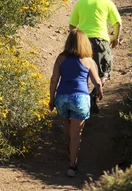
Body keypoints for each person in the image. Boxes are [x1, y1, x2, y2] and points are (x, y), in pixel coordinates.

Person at [49, 29, 103, 178]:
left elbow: (54, 79)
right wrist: (100, 92)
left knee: (67, 130)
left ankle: (69, 151)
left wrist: (51, 98)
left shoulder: (60, 58)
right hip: (80, 98)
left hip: (62, 97)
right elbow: (97, 81)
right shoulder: (88, 60)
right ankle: (72, 165)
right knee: (76, 135)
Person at [69, 0, 122, 113]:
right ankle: (93, 96)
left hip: (83, 41)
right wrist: (115, 38)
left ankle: (81, 100)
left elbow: (72, 26)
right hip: (101, 41)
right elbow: (118, 23)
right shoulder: (108, 3)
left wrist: (76, 39)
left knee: (83, 72)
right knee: (105, 72)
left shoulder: (81, 3)